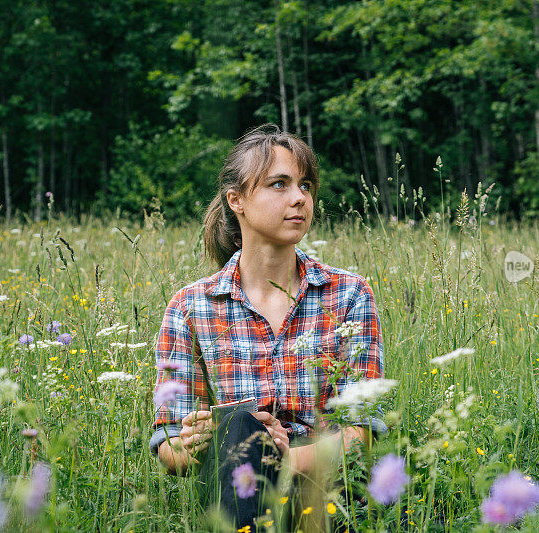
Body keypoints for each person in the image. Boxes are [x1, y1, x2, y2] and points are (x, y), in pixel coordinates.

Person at [149, 124, 386, 528]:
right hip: (235, 481)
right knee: (240, 423)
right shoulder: (191, 307)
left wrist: (285, 457)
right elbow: (169, 451)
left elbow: (359, 436)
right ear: (236, 200)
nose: (299, 198)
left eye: (306, 185)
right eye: (280, 184)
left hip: (323, 488)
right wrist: (192, 441)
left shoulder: (348, 295)